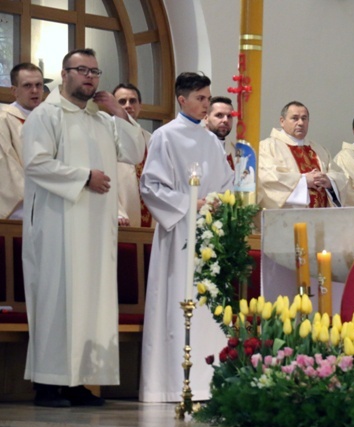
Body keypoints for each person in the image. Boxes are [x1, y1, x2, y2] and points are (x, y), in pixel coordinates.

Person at [21, 48, 145, 407]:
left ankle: (80, 382)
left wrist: (119, 112)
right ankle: (47, 385)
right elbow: (36, 163)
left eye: (95, 71)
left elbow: (135, 152)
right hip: (58, 227)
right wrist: (84, 176)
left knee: (92, 303)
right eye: (82, 70)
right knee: (58, 302)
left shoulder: (101, 119)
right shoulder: (46, 115)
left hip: (95, 230)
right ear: (64, 74)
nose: (89, 77)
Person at [139, 72, 234, 403]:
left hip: (209, 230)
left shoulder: (210, 140)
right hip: (178, 228)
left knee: (207, 305)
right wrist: (190, 203)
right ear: (182, 100)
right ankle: (168, 383)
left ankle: (207, 381)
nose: (206, 104)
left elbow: (225, 182)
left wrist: (220, 201)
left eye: (208, 98)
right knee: (176, 301)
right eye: (201, 99)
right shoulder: (164, 136)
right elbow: (150, 185)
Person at [258, 101, 346, 208]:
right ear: (282, 121)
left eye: (304, 118)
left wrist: (329, 181)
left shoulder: (319, 149)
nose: (300, 123)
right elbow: (267, 179)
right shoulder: (267, 147)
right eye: (295, 118)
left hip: (322, 217)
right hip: (289, 219)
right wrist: (304, 181)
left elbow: (341, 177)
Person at [0, 63, 44, 219]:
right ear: (14, 91)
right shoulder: (4, 119)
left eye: (39, 85)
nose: (35, 91)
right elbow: (6, 165)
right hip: (24, 209)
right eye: (27, 86)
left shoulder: (51, 119)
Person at [113, 83, 154, 227]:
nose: (128, 105)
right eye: (122, 102)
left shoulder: (151, 139)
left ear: (140, 105)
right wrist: (116, 212)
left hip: (152, 220)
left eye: (133, 101)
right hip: (119, 220)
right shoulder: (105, 135)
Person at [205, 96, 236, 170]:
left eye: (229, 116)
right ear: (206, 118)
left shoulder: (234, 149)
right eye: (219, 115)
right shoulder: (197, 146)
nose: (226, 120)